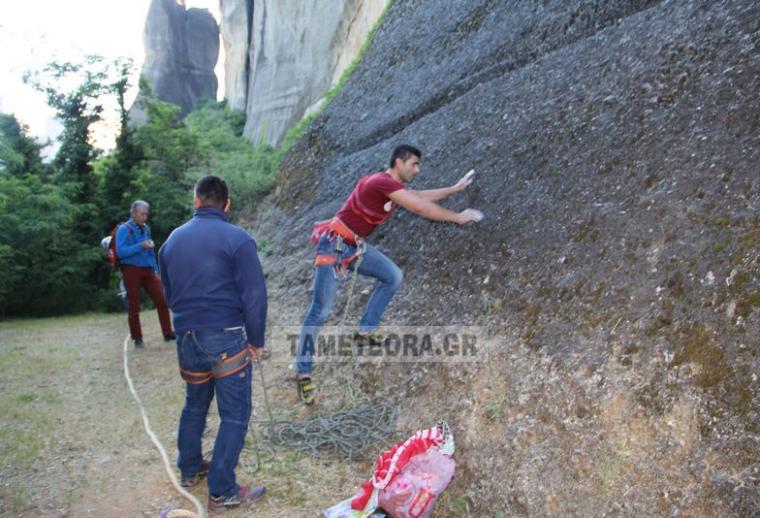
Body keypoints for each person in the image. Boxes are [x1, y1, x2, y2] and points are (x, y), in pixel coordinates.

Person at [295, 144, 483, 404]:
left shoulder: (390, 187)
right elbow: (418, 206)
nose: (417, 169)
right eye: (414, 164)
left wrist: (454, 189)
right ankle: (303, 373)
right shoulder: (380, 182)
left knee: (393, 276)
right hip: (334, 245)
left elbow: (417, 196)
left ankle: (364, 333)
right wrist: (458, 217)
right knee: (320, 311)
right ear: (398, 162)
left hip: (353, 246)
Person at [158, 176, 268, 513]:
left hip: (187, 335)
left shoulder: (171, 241)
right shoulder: (238, 239)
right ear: (227, 203)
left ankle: (190, 468)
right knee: (235, 413)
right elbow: (254, 295)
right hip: (224, 335)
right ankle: (222, 490)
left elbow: (168, 294)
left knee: (195, 404)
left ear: (196, 201)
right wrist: (256, 339)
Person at [116, 200, 174, 348]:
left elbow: (150, 252)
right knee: (134, 305)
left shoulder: (146, 228)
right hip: (131, 270)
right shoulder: (124, 229)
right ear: (133, 213)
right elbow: (120, 252)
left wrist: (156, 269)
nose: (145, 217)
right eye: (142, 214)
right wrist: (140, 246)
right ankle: (137, 339)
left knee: (162, 300)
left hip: (148, 270)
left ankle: (168, 333)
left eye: (146, 214)